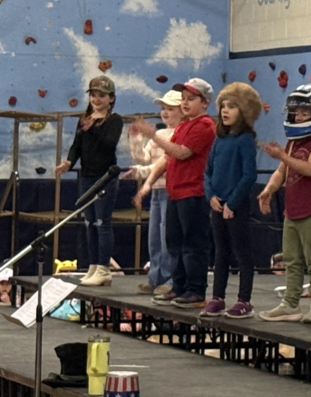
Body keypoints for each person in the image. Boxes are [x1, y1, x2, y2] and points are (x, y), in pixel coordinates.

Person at [133, 78, 217, 309]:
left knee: (193, 244)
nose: (186, 103)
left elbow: (181, 153)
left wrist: (154, 136)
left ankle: (196, 290)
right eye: (184, 99)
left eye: (192, 99)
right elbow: (167, 158)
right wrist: (148, 183)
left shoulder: (204, 126)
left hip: (193, 192)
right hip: (176, 192)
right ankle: (179, 286)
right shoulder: (184, 126)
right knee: (174, 243)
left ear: (206, 102)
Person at [257, 83, 311, 324]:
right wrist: (268, 190)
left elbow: (310, 169)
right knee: (291, 259)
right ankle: (290, 303)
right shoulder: (293, 143)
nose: (299, 117)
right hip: (292, 209)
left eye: (305, 112)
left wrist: (282, 155)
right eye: (296, 112)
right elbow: (282, 171)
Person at [200, 82, 262, 319]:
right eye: (223, 106)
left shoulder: (245, 139)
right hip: (218, 204)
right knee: (220, 253)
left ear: (244, 111)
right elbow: (208, 172)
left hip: (236, 205)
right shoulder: (219, 139)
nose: (225, 111)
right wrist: (211, 197)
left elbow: (249, 175)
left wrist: (231, 203)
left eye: (232, 106)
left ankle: (244, 300)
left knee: (242, 252)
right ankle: (217, 297)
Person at [55, 75, 123, 287]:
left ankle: (104, 268)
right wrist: (68, 162)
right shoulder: (85, 119)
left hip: (105, 177)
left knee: (102, 223)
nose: (96, 99)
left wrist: (92, 126)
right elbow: (77, 145)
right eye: (93, 95)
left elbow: (108, 143)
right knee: (89, 223)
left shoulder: (114, 120)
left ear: (111, 98)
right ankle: (93, 265)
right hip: (86, 176)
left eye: (101, 95)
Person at [126, 90, 184, 296]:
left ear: (182, 111)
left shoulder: (180, 134)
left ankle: (168, 280)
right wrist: (135, 138)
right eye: (163, 109)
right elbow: (144, 158)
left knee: (167, 237)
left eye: (170, 109)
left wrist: (141, 172)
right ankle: (155, 278)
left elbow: (166, 163)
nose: (165, 113)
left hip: (171, 191)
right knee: (154, 238)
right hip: (158, 193)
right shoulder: (159, 134)